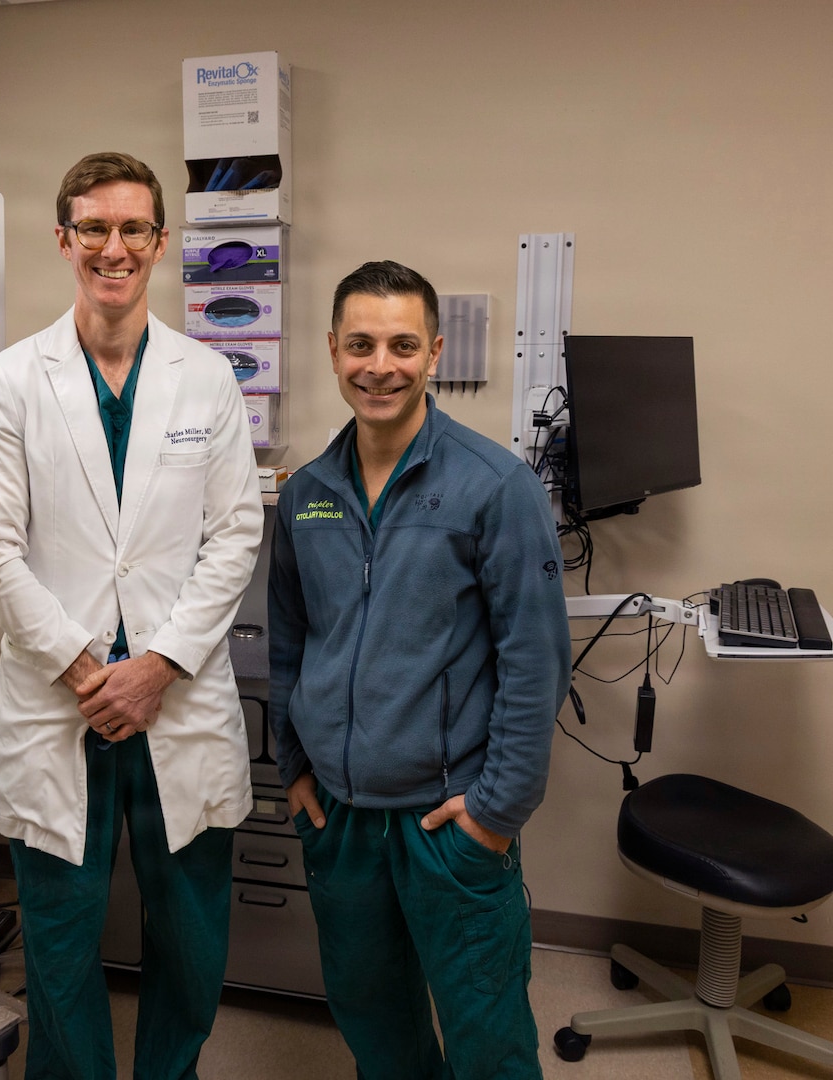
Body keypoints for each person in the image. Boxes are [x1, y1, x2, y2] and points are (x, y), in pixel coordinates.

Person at [0, 151, 263, 1080]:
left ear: (161, 243)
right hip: (63, 701)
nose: (113, 248)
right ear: (64, 240)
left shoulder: (206, 378)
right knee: (58, 944)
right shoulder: (14, 380)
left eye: (133, 229)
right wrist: (88, 670)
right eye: (93, 227)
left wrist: (157, 667)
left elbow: (234, 536)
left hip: (176, 696)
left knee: (192, 940)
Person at [268, 260, 570, 1079]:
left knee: (486, 1039)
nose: (381, 366)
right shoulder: (305, 496)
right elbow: (289, 640)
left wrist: (496, 812)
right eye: (361, 344)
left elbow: (536, 663)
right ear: (333, 350)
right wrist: (293, 769)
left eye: (403, 345)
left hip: (447, 821)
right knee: (375, 1024)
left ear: (434, 352)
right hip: (340, 818)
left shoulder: (495, 487)